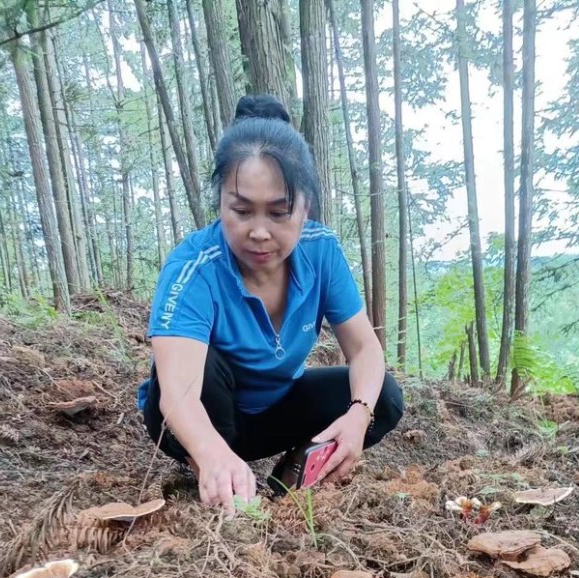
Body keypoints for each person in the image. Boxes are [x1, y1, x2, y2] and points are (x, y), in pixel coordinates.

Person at [140, 94, 404, 513]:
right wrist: (210, 451)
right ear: (222, 203)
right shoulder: (194, 267)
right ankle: (213, 470)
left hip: (276, 408)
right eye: (242, 211)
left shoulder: (321, 252)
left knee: (383, 397)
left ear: (305, 207)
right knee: (202, 369)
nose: (259, 232)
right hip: (201, 417)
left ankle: (292, 478)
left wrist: (358, 415)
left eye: (279, 213)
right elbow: (178, 394)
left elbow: (364, 349)